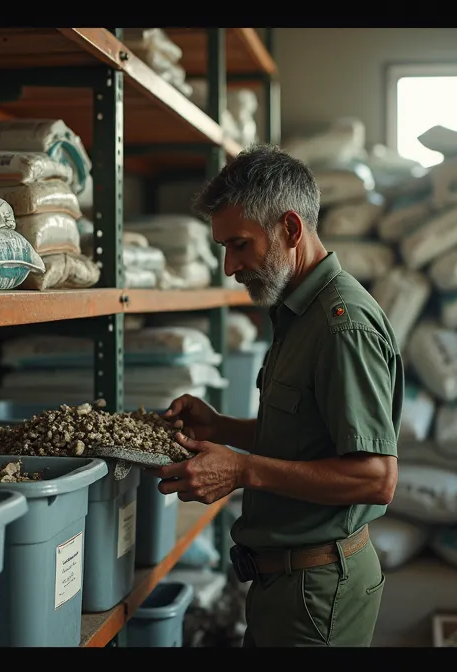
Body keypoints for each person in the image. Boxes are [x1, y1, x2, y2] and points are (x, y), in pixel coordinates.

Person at [153, 144, 404, 647]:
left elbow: (376, 478)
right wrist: (222, 428)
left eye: (240, 245)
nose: (229, 266)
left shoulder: (341, 327)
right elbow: (310, 437)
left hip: (316, 593)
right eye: (224, 247)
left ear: (290, 229)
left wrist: (242, 470)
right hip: (288, 585)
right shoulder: (299, 313)